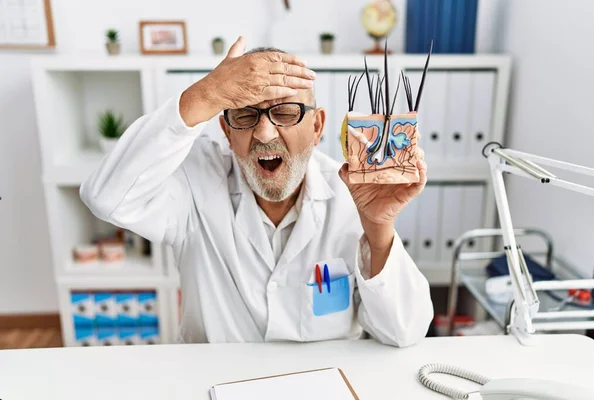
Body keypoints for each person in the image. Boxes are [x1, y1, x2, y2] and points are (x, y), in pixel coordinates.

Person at [80, 36, 433, 347]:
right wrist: (206, 93)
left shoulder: (353, 193)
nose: (264, 134)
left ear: (317, 125)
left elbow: (404, 331)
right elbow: (107, 197)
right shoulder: (195, 178)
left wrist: (378, 228)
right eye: (246, 116)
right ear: (226, 130)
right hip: (212, 381)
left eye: (284, 112)